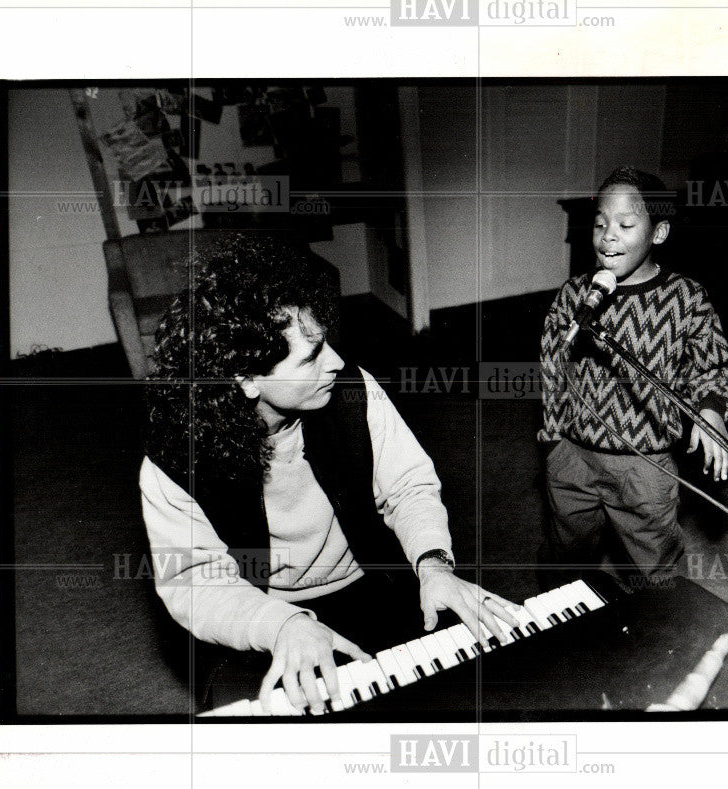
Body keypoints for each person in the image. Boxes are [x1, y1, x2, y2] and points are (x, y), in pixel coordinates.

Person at [141, 235, 517, 714]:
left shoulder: (353, 391)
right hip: (263, 611)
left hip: (372, 583)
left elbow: (409, 486)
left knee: (475, 693)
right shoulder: (174, 457)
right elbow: (195, 580)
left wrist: (433, 563)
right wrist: (281, 625)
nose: (337, 362)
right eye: (311, 356)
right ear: (246, 378)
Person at [539, 166, 728, 584]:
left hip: (645, 465)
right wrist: (554, 438)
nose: (609, 235)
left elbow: (713, 364)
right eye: (600, 224)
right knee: (565, 554)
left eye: (626, 224)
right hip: (574, 456)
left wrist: (712, 411)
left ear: (659, 233)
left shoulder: (685, 298)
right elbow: (553, 368)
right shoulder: (574, 294)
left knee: (655, 566)